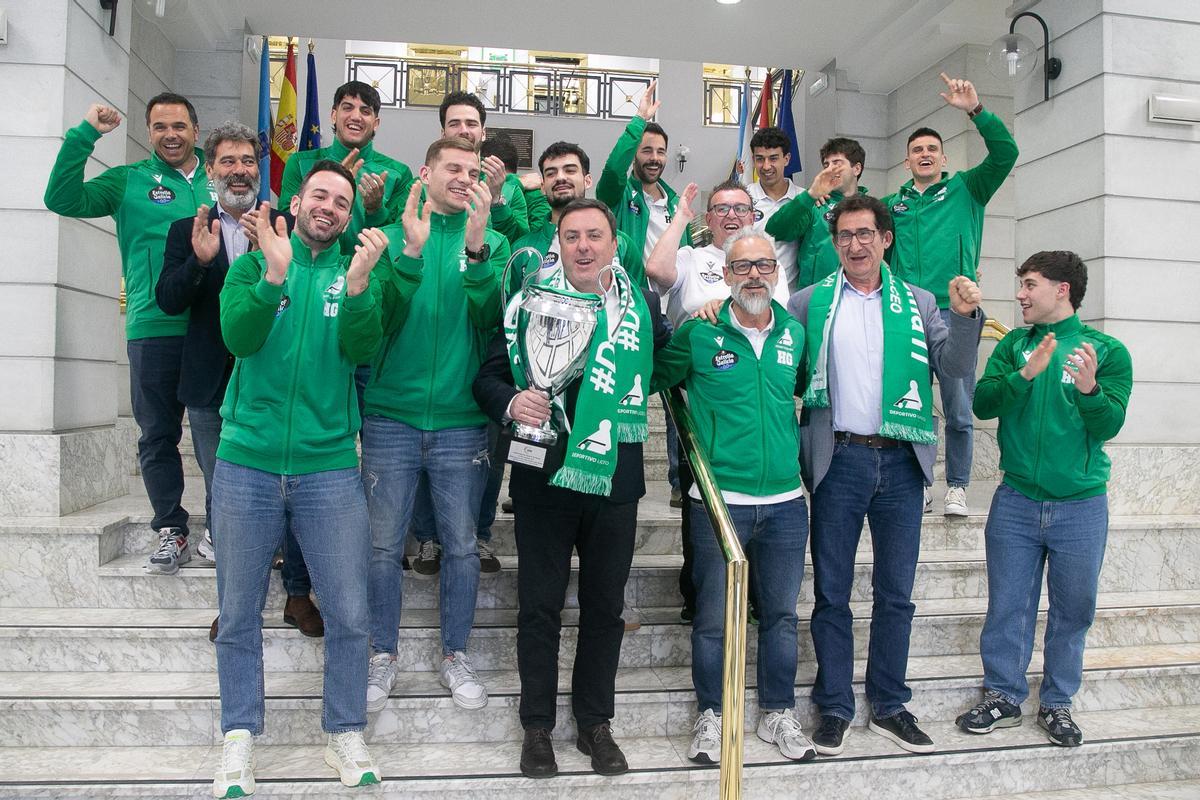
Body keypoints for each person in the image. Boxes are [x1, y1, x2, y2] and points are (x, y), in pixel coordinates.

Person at [473, 198, 669, 779]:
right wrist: (512, 402)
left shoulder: (641, 307)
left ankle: (594, 724)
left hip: (615, 477)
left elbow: (666, 364)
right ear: (558, 244)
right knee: (539, 606)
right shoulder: (528, 303)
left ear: (614, 244)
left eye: (595, 235)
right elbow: (487, 378)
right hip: (543, 478)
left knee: (605, 608)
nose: (584, 246)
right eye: (572, 236)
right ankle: (536, 727)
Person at [210, 160, 387, 798]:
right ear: (298, 200)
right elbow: (238, 338)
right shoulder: (252, 267)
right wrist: (274, 276)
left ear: (348, 215)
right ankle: (238, 737)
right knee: (237, 612)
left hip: (329, 466)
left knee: (349, 611)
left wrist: (360, 289)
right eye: (320, 195)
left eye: (341, 201)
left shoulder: (358, 273)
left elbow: (363, 351)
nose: (329, 207)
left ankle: (344, 730)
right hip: (246, 462)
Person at [787, 194, 983, 756]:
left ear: (885, 238)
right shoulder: (809, 302)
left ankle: (890, 704)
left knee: (896, 594)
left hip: (902, 462)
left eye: (865, 234)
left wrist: (964, 318)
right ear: (835, 243)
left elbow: (954, 365)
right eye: (845, 236)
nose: (855, 245)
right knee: (831, 593)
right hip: (839, 460)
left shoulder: (918, 302)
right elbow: (779, 359)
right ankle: (834, 706)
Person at [651, 228, 815, 763]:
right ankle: (713, 715)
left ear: (777, 272)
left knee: (782, 616)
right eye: (742, 267)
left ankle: (777, 713)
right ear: (725, 275)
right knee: (714, 620)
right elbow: (653, 377)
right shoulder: (700, 334)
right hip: (719, 504)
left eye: (763, 265)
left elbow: (802, 389)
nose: (754, 276)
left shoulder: (794, 333)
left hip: (786, 503)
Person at [955, 251, 1132, 747]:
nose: (1020, 294)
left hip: (1081, 505)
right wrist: (1024, 376)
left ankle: (1057, 703)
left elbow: (1110, 425)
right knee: (1008, 605)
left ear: (1062, 289)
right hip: (1016, 500)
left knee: (1074, 609)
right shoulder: (1014, 345)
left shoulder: (1106, 351)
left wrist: (1090, 390)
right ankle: (1003, 696)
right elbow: (982, 403)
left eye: (1030, 284)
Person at [156, 122, 322, 643]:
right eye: (228, 161)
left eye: (248, 161)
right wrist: (200, 263)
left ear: (260, 168)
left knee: (293, 493)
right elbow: (168, 300)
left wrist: (269, 259)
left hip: (275, 385)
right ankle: (234, 606)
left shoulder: (285, 223)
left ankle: (298, 594)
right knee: (226, 499)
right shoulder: (187, 228)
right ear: (210, 169)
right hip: (212, 387)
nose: (239, 171)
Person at [362, 137, 510, 714]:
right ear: (425, 173)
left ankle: (456, 654)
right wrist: (410, 252)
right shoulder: (387, 237)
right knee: (381, 546)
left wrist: (476, 250)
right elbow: (376, 324)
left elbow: (493, 323)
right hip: (390, 417)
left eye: (473, 171)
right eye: (453, 168)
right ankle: (382, 654)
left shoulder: (494, 242)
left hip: (461, 422)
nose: (465, 178)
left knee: (462, 547)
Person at [45, 93, 214, 575]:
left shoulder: (221, 177)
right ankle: (171, 530)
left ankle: (223, 527)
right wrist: (85, 135)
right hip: (153, 327)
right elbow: (61, 199)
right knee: (157, 434)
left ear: (195, 130)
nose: (170, 135)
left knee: (218, 437)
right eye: (160, 127)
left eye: (179, 125)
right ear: (149, 132)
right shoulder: (127, 181)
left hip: (212, 329)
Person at [645, 178, 788, 621]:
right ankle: (699, 594)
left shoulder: (768, 259)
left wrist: (728, 307)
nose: (731, 216)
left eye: (740, 208)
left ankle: (755, 595)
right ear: (709, 218)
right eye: (721, 208)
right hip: (698, 398)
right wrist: (680, 220)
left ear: (753, 215)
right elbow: (656, 271)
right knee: (699, 496)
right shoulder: (692, 257)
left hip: (754, 400)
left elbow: (779, 316)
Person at [882, 73, 1019, 516]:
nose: (924, 155)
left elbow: (1006, 153)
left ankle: (957, 486)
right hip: (907, 313)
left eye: (931, 149)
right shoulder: (893, 205)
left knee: (959, 408)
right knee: (913, 405)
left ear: (943, 158)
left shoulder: (968, 188)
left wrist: (976, 110)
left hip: (955, 314)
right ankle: (920, 482)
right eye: (916, 150)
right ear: (906, 162)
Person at [280, 80, 413, 245]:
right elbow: (287, 223)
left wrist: (376, 210)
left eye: (365, 111)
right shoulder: (300, 163)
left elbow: (398, 238)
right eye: (348, 108)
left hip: (370, 262)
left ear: (376, 124)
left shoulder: (398, 174)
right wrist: (334, 183)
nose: (356, 117)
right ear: (334, 116)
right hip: (312, 260)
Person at [596, 79, 684, 283]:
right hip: (633, 297)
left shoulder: (677, 204)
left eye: (660, 152)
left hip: (671, 301)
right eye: (646, 150)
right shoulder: (618, 196)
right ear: (633, 155)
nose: (655, 158)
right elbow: (613, 169)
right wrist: (639, 120)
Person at [765, 136, 870, 292]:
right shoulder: (814, 204)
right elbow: (775, 230)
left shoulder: (872, 208)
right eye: (826, 165)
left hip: (858, 295)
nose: (829, 170)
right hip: (816, 296)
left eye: (837, 163)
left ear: (856, 169)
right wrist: (810, 195)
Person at [743, 126, 800, 288]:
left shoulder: (803, 200)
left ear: (787, 159)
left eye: (773, 158)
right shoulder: (743, 198)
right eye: (760, 159)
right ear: (753, 160)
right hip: (751, 291)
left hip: (791, 297)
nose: (766, 166)